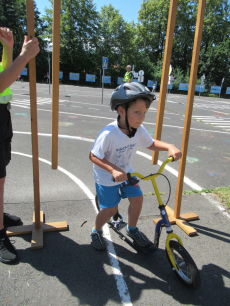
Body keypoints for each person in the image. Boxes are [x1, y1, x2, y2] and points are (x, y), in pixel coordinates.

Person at [89, 82, 182, 250]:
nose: (142, 117)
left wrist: (169, 146)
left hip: (127, 173)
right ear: (121, 111)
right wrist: (113, 169)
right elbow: (94, 156)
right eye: (137, 112)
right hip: (106, 176)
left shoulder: (138, 130)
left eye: (144, 113)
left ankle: (132, 229)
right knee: (110, 210)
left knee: (138, 199)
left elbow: (151, 143)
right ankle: (96, 231)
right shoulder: (109, 134)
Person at [0, 27, 39, 264]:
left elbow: (4, 77)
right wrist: (23, 56)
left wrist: (8, 49)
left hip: (2, 114)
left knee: (1, 174)